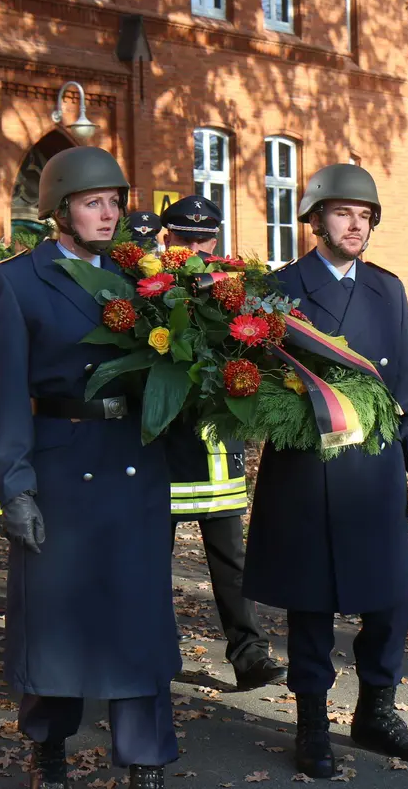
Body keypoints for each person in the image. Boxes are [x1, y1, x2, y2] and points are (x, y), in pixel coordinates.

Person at [0, 146, 180, 789]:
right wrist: (15, 488)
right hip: (61, 466)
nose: (109, 212)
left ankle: (144, 756)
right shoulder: (15, 281)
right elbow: (8, 397)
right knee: (56, 615)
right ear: (59, 210)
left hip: (133, 463)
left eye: (115, 201)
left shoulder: (137, 278)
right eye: (94, 202)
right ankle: (49, 746)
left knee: (139, 611)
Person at [242, 163, 408, 777]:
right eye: (343, 213)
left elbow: (404, 386)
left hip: (374, 466)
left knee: (389, 601)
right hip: (308, 467)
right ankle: (311, 725)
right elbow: (251, 387)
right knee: (312, 601)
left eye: (365, 216)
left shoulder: (387, 289)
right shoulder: (277, 290)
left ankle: (376, 713)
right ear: (315, 219)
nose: (356, 225)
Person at [158, 194, 287, 691]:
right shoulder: (147, 287)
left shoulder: (237, 288)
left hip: (214, 444)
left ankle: (250, 654)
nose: (196, 249)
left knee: (231, 561)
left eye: (203, 239)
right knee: (152, 561)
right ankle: (157, 650)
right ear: (168, 238)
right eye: (185, 240)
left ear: (216, 238)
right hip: (159, 444)